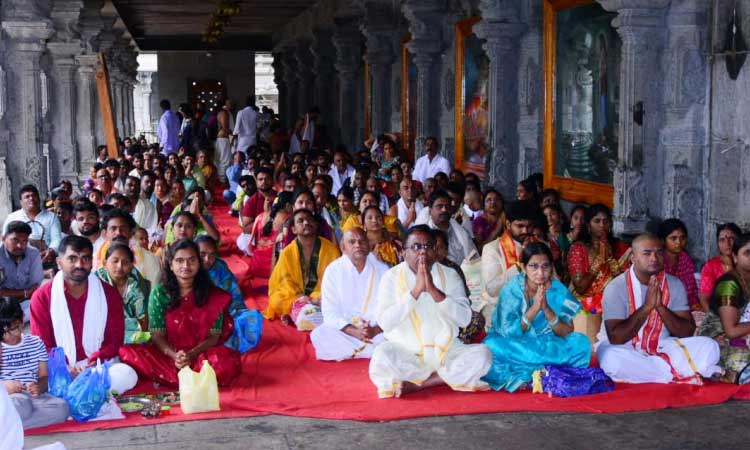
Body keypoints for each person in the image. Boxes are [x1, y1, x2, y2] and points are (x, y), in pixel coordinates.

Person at [368, 225, 491, 398]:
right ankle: (443, 378)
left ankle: (421, 384)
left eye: (428, 246)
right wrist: (415, 292)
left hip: (447, 351)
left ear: (435, 250)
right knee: (382, 356)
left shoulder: (450, 274)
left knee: (483, 355)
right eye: (416, 247)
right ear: (403, 252)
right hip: (407, 352)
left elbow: (465, 320)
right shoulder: (391, 277)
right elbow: (385, 322)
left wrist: (433, 290)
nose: (423, 252)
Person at [596, 233, 721, 384]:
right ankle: (676, 372)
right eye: (647, 253)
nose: (654, 258)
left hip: (663, 345)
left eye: (659, 252)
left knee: (710, 346)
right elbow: (617, 338)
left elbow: (686, 331)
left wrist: (661, 307)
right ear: (633, 258)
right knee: (612, 359)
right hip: (625, 348)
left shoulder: (674, 284)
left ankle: (653, 373)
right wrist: (647, 307)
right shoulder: (615, 287)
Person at [119, 239, 241, 386]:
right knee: (126, 353)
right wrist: (175, 356)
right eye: (179, 260)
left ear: (199, 264)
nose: (186, 266)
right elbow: (157, 334)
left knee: (225, 362)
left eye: (191, 260)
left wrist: (191, 355)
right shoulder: (160, 293)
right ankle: (194, 379)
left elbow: (214, 336)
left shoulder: (212, 294)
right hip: (169, 356)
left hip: (201, 355)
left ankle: (182, 378)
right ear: (171, 265)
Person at [30, 236, 137, 394]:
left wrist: (94, 362)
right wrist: (66, 367)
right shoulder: (42, 297)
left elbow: (114, 341)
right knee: (39, 379)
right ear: (59, 262)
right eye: (72, 259)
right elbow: (42, 345)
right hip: (60, 368)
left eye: (85, 258)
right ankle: (90, 393)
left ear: (92, 262)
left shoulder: (108, 293)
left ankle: (79, 393)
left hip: (96, 366)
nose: (79, 265)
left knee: (127, 375)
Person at [482, 242, 590, 392]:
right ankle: (546, 371)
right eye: (534, 266)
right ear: (524, 267)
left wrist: (546, 309)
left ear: (551, 267)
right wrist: (534, 309)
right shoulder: (512, 290)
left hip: (548, 344)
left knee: (581, 343)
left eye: (545, 266)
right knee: (491, 346)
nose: (540, 273)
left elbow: (567, 332)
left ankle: (527, 373)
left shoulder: (558, 290)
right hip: (517, 344)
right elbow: (507, 333)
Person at [310, 228, 389, 361]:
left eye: (361, 241)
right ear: (343, 247)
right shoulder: (333, 271)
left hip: (376, 331)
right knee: (319, 334)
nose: (357, 245)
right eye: (352, 242)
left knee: (397, 331)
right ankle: (373, 350)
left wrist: (374, 330)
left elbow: (388, 308)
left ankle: (362, 350)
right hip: (346, 331)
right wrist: (355, 332)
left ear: (369, 246)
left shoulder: (383, 270)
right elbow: (329, 312)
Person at [1, 298, 70, 429]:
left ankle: (9, 426)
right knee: (20, 405)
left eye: (14, 328)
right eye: (3, 332)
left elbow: (44, 375)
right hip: (8, 398)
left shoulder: (36, 342)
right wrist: (4, 386)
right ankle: (10, 423)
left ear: (22, 321)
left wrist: (39, 386)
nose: (9, 336)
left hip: (34, 399)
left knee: (62, 408)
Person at [264, 209, 340, 324]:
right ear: (293, 229)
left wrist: (314, 298)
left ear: (315, 225)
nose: (306, 223)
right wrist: (300, 297)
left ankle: (298, 312)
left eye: (309, 220)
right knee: (276, 300)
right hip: (295, 296)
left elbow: (336, 280)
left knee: (332, 299)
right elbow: (283, 281)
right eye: (301, 221)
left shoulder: (331, 249)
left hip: (320, 295)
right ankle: (303, 310)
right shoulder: (287, 252)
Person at [697, 233, 750, 382]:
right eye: (747, 253)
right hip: (715, 340)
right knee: (743, 361)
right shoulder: (728, 284)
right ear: (735, 257)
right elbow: (731, 331)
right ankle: (728, 373)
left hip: (744, 335)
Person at [480, 200, 538, 327]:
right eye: (520, 226)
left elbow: (553, 280)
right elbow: (492, 289)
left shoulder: (540, 246)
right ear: (507, 224)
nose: (525, 231)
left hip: (535, 310)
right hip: (500, 311)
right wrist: (519, 265)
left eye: (529, 226)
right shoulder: (492, 249)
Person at [567, 203, 630, 315]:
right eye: (597, 221)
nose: (602, 225)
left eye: (606, 221)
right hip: (587, 308)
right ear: (588, 225)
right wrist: (600, 259)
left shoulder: (620, 247)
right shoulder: (578, 248)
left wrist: (610, 258)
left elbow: (625, 285)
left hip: (615, 303)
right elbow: (580, 288)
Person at [96, 243, 151, 344]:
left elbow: (143, 319)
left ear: (131, 265)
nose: (120, 266)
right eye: (115, 261)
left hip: (135, 336)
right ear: (104, 263)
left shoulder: (140, 285)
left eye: (125, 262)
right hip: (103, 335)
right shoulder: (96, 283)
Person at [96, 208, 162, 287]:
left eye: (123, 228)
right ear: (104, 234)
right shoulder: (95, 259)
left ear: (131, 232)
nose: (118, 233)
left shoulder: (149, 259)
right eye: (113, 229)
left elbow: (153, 292)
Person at [3, 185, 62, 267]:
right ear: (21, 202)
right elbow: (4, 240)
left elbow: (57, 239)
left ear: (38, 199)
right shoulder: (12, 217)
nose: (31, 198)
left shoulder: (51, 217)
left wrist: (51, 250)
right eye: (27, 197)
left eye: (34, 195)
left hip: (45, 259)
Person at [415, 190, 476, 265]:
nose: (444, 210)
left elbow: (474, 260)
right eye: (439, 206)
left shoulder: (461, 233)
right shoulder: (424, 236)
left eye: (447, 206)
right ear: (430, 211)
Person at [0, 222, 44, 323]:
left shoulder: (33, 254)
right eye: (15, 240)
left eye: (24, 241)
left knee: (45, 303)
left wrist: (24, 294)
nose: (20, 245)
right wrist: (24, 293)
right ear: (3, 238)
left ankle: (13, 322)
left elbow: (35, 287)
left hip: (24, 302)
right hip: (3, 303)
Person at [197, 236, 246, 318]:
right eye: (202, 255)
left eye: (212, 255)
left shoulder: (220, 268)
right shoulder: (188, 269)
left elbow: (234, 293)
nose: (207, 259)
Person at [248, 191, 293, 277]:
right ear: (288, 205)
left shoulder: (260, 216)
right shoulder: (290, 220)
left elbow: (250, 246)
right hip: (274, 269)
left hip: (256, 265)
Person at [658, 218, 699, 311]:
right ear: (663, 241)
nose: (679, 242)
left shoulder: (685, 258)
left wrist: (693, 304)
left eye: (682, 238)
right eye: (673, 238)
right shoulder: (658, 260)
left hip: (685, 306)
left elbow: (691, 289)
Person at [699, 223, 742, 312]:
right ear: (718, 244)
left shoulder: (746, 262)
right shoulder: (710, 266)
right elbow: (704, 299)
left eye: (731, 238)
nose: (727, 243)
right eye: (722, 240)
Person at [215, 99, 235, 182]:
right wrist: (233, 135)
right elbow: (225, 127)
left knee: (224, 159)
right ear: (225, 104)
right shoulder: (224, 113)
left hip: (224, 138)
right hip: (223, 139)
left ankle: (223, 179)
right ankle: (222, 180)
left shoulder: (226, 112)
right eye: (230, 103)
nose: (233, 105)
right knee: (225, 160)